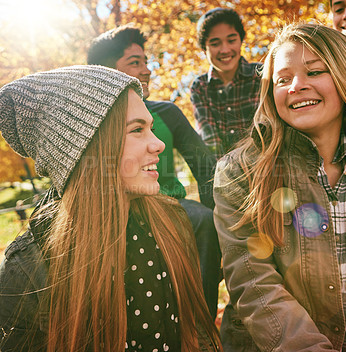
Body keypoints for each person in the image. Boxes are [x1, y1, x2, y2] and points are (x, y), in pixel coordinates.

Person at [0, 65, 221, 351]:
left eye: (151, 128)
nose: (158, 144)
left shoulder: (172, 222)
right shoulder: (28, 270)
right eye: (137, 130)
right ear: (89, 147)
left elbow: (195, 335)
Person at [213, 23, 346, 351]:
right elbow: (254, 282)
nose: (296, 86)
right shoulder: (240, 171)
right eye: (282, 80)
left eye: (314, 72)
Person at [87, 25, 221, 320]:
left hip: (171, 205)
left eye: (146, 62)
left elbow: (204, 166)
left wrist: (220, 219)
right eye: (135, 63)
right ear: (106, 71)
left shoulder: (167, 112)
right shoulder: (86, 124)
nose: (146, 71)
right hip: (112, 211)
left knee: (204, 221)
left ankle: (202, 324)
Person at [190, 8, 262, 159]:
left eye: (231, 40)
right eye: (215, 43)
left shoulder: (261, 75)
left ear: (241, 41)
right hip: (225, 171)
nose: (225, 50)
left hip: (266, 165)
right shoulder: (200, 87)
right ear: (204, 49)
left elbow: (270, 129)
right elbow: (210, 140)